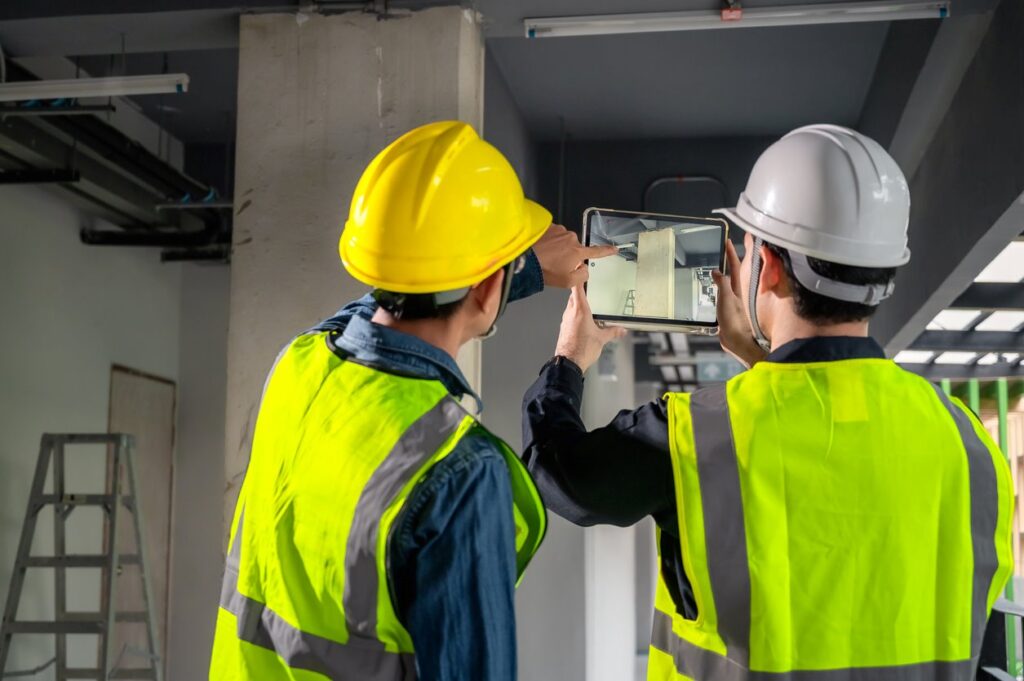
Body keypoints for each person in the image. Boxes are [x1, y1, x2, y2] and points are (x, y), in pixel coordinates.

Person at [522, 124, 1015, 680]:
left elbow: (559, 472)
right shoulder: (967, 442)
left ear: (770, 267)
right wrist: (761, 358)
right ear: (882, 277)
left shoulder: (697, 434)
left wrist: (570, 357)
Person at [209, 121, 615, 681]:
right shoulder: (457, 469)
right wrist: (553, 333)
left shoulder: (299, 365)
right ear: (486, 286)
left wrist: (507, 269)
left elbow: (368, 313)